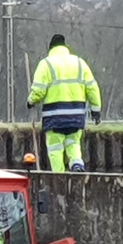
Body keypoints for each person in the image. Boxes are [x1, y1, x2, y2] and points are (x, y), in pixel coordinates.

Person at [27, 34, 102, 173]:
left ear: (51, 48)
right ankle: (76, 165)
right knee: (73, 143)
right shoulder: (80, 63)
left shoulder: (46, 64)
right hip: (76, 114)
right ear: (65, 46)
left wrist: (31, 100)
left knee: (55, 148)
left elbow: (39, 91)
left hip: (54, 115)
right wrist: (96, 110)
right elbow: (92, 88)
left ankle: (59, 176)